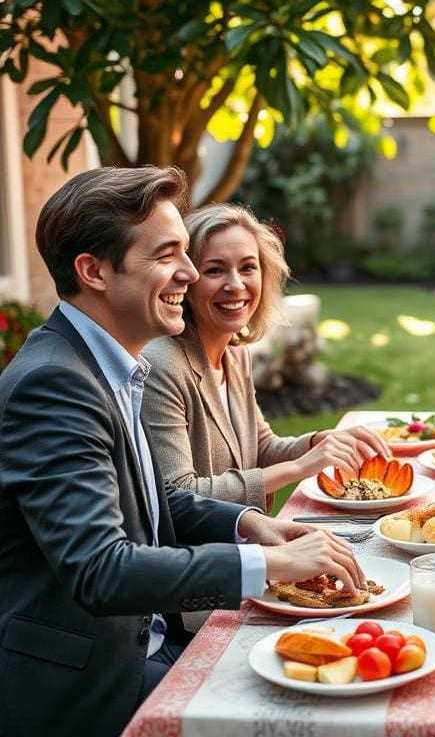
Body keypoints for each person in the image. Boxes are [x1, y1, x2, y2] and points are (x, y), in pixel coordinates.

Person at [0, 167, 366, 737]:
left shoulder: (107, 365)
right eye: (167, 254)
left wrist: (249, 525)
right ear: (94, 271)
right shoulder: (55, 383)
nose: (190, 273)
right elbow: (100, 569)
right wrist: (268, 564)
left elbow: (151, 502)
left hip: (149, 646)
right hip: (89, 688)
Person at [142, 203, 388, 515]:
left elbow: (260, 448)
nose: (236, 285)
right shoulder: (161, 364)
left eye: (248, 267)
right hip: (206, 544)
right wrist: (299, 467)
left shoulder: (235, 353)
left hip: (247, 534)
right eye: (215, 270)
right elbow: (180, 494)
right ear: (186, 280)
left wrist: (317, 442)